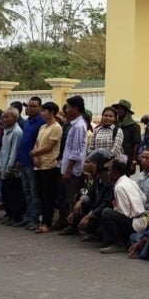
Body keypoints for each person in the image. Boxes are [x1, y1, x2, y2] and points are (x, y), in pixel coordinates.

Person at [62, 149, 115, 239]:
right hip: (96, 210)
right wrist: (80, 202)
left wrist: (88, 217)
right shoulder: (98, 179)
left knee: (98, 229)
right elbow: (90, 194)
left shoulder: (109, 183)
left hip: (102, 214)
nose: (86, 165)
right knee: (81, 198)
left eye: (90, 163)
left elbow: (105, 205)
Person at [99, 159, 148, 253]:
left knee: (107, 213)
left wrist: (115, 208)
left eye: (110, 170)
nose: (108, 173)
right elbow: (144, 199)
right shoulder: (130, 181)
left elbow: (124, 213)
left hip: (134, 223)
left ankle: (118, 244)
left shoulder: (119, 187)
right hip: (142, 220)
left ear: (116, 172)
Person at [31, 101, 63, 233]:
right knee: (39, 195)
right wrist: (34, 156)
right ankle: (41, 220)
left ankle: (47, 223)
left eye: (44, 111)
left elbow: (50, 146)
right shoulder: (43, 127)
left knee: (48, 197)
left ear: (51, 112)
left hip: (50, 166)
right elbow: (37, 144)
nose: (42, 113)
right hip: (39, 165)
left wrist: (34, 153)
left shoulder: (56, 127)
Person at [58, 95, 89, 230]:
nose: (67, 110)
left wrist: (68, 170)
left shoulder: (79, 126)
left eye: (69, 108)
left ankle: (73, 224)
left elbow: (76, 152)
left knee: (72, 197)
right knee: (66, 196)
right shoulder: (73, 124)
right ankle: (67, 222)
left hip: (73, 170)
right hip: (67, 167)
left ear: (76, 109)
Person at [14, 97, 44, 230]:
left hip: (34, 163)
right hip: (24, 161)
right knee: (26, 192)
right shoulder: (26, 122)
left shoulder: (42, 122)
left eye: (33, 106)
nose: (30, 108)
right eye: (29, 106)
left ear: (40, 108)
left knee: (34, 192)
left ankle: (35, 219)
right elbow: (23, 143)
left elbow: (39, 143)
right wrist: (19, 159)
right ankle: (28, 217)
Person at [0, 108, 25, 225]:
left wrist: (9, 168)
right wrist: (0, 165)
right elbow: (3, 151)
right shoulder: (6, 130)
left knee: (14, 194)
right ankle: (9, 214)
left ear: (14, 118)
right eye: (3, 117)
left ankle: (16, 216)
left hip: (12, 169)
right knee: (6, 193)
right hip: (4, 166)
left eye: (7, 117)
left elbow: (14, 152)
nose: (4, 119)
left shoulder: (17, 132)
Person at [113, 100, 141, 174]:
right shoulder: (114, 125)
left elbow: (136, 145)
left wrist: (133, 162)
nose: (118, 111)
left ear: (127, 112)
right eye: (117, 109)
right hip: (114, 158)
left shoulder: (135, 126)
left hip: (127, 160)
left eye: (121, 109)